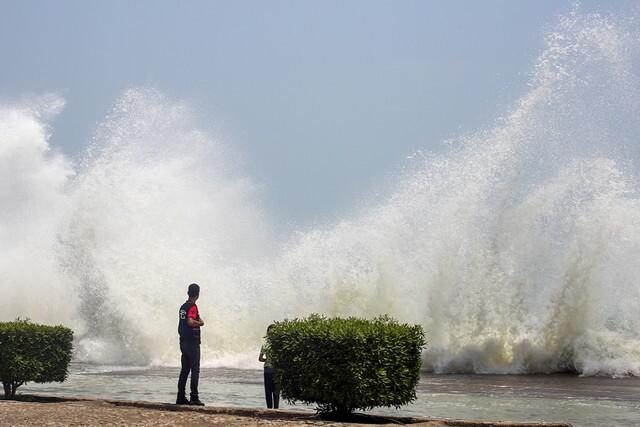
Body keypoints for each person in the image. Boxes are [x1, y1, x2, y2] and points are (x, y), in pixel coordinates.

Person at [176, 283, 205, 406]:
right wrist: (200, 323)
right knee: (195, 370)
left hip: (183, 341)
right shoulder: (193, 306)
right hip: (192, 342)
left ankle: (180, 397)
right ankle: (194, 397)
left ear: (188, 292)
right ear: (197, 294)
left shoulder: (183, 306)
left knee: (184, 371)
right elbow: (190, 321)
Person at [258, 324, 280, 409]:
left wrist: (267, 360)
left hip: (267, 369)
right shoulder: (280, 345)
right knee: (276, 391)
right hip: (277, 369)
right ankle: (276, 409)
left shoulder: (265, 345)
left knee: (268, 391)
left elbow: (260, 359)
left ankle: (269, 409)